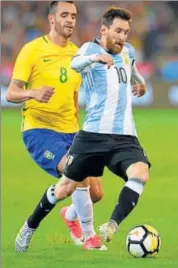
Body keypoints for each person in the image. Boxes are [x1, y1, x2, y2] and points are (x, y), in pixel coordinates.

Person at [46, 5, 151, 243]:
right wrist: (96, 58)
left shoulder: (129, 51)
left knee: (139, 174)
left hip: (124, 135)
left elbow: (132, 70)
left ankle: (111, 224)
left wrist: (141, 83)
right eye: (119, 31)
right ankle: (49, 221)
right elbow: (75, 63)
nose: (123, 37)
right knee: (73, 189)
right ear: (104, 29)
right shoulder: (89, 49)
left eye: (126, 32)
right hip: (93, 134)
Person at [6, 0, 105, 252]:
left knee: (95, 193)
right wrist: (34, 92)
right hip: (39, 130)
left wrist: (81, 129)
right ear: (52, 19)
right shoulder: (32, 50)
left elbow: (73, 96)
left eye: (73, 15)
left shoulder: (77, 55)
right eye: (64, 15)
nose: (70, 20)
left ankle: (59, 218)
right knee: (77, 170)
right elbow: (11, 93)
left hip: (71, 130)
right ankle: (90, 237)